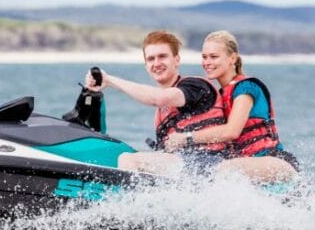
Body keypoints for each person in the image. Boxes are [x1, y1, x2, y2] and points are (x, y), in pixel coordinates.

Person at [164, 30, 298, 183]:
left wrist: (186, 138)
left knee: (223, 169)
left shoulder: (246, 88)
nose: (207, 62)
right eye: (204, 57)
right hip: (244, 165)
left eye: (214, 57)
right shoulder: (220, 97)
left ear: (232, 58)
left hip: (274, 161)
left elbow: (231, 131)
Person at [85, 30, 227, 174]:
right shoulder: (161, 114)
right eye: (151, 59)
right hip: (184, 167)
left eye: (162, 56)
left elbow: (158, 98)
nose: (157, 63)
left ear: (176, 59)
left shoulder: (196, 86)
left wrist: (109, 80)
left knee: (129, 160)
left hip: (208, 163)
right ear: (146, 66)